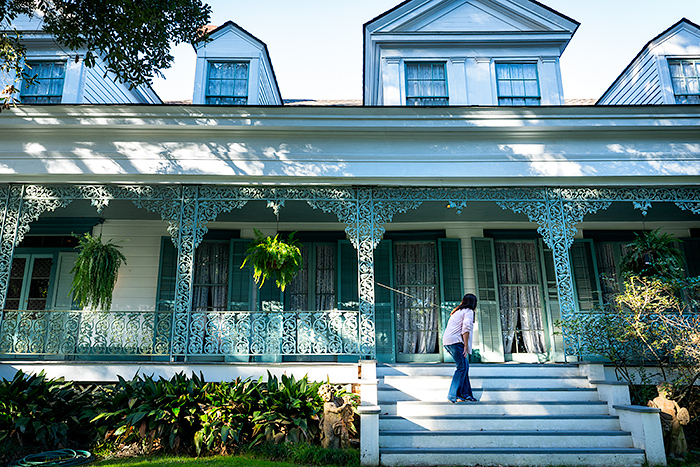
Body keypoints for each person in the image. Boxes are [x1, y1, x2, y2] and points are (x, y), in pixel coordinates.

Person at [443, 293, 477, 403]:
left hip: (448, 341)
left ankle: (466, 394)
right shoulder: (468, 311)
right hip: (455, 342)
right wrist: (466, 345)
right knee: (462, 367)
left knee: (464, 366)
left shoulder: (457, 311)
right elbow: (466, 328)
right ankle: (453, 395)